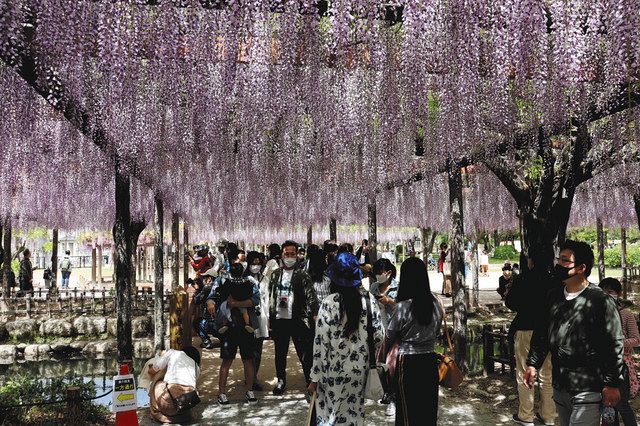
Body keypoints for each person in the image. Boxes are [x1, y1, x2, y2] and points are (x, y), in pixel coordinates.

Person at [525, 240, 625, 426]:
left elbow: (614, 343)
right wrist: (533, 364)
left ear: (581, 268)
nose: (559, 264)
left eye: (565, 260)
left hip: (588, 387)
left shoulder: (600, 300)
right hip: (561, 385)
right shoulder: (554, 296)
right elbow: (542, 334)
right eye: (559, 258)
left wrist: (612, 383)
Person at [308, 251, 383, 426]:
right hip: (359, 371)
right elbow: (379, 336)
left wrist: (314, 377)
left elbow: (320, 345)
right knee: (354, 415)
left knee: (331, 416)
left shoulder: (328, 303)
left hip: (332, 372)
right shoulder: (369, 300)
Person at [383, 257, 443, 426]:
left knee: (407, 411)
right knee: (427, 409)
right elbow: (437, 331)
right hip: (430, 360)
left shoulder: (402, 307)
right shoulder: (436, 304)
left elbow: (389, 336)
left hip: (407, 363)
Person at [505, 245, 558, 426]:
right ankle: (549, 415)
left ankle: (526, 415)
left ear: (531, 261)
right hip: (548, 331)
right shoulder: (554, 280)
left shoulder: (523, 279)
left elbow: (510, 302)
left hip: (525, 328)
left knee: (524, 372)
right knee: (547, 374)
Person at [268, 240, 319, 395]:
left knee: (304, 353)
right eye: (286, 254)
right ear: (282, 255)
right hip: (280, 319)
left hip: (298, 319)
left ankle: (309, 381)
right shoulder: (276, 274)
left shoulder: (302, 275)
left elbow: (312, 297)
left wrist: (315, 315)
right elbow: (271, 296)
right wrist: (271, 317)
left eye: (292, 254)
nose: (289, 257)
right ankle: (281, 380)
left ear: (297, 255)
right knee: (280, 352)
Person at [207, 260, 261, 405]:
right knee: (227, 360)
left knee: (248, 359)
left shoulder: (250, 281)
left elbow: (255, 300)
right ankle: (222, 393)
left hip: (244, 327)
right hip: (230, 328)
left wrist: (236, 304)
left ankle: (249, 391)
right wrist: (210, 304)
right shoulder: (221, 280)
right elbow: (211, 297)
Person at [599, 277, 639, 426]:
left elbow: (636, 339)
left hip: (622, 364)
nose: (607, 295)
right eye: (603, 292)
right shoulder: (597, 312)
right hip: (602, 365)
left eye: (610, 292)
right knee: (607, 407)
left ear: (619, 293)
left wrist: (618, 343)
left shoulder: (626, 314)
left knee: (622, 404)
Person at [370, 257, 399, 416]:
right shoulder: (374, 287)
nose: (378, 276)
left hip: (393, 329)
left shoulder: (398, 286)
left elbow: (404, 308)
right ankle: (385, 392)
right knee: (380, 364)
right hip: (377, 330)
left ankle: (394, 397)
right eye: (376, 274)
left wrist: (390, 302)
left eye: (380, 273)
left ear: (388, 273)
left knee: (392, 364)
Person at [148, 346, 201, 423]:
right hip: (186, 404)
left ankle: (155, 412)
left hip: (168, 403)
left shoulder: (173, 353)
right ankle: (182, 416)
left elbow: (151, 371)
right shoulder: (196, 367)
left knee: (158, 381)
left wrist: (162, 357)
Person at [245, 251, 268, 391]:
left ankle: (255, 377)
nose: (256, 265)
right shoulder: (244, 279)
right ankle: (249, 377)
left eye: (259, 263)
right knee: (248, 349)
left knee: (258, 349)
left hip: (262, 317)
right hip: (247, 317)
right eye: (254, 263)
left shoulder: (264, 278)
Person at [195, 269, 219, 349]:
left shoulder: (208, 288)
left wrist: (198, 289)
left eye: (204, 277)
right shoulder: (221, 287)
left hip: (212, 323)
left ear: (209, 278)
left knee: (197, 323)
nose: (203, 279)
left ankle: (206, 342)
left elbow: (196, 301)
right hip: (225, 323)